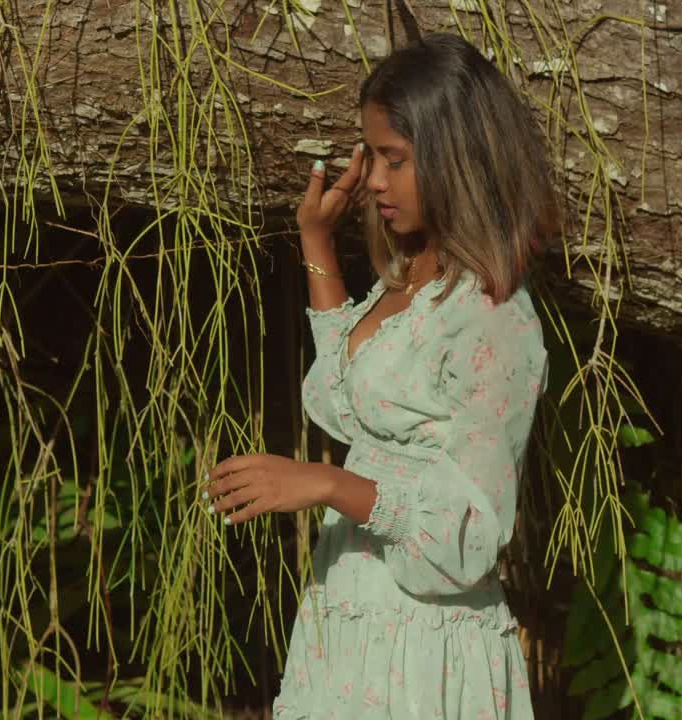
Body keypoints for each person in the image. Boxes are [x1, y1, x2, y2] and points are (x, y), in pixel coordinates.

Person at [203, 32, 556, 718]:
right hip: (350, 626)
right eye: (372, 159)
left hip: (424, 652)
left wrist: (328, 484)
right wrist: (317, 244)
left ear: (457, 160)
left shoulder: (493, 317)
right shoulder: (413, 280)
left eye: (395, 160)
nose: (373, 180)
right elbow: (345, 403)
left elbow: (468, 533)